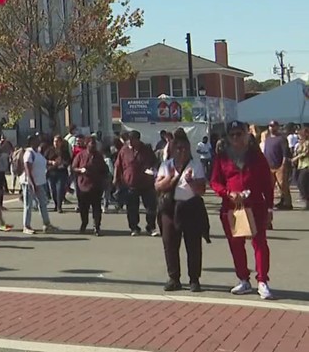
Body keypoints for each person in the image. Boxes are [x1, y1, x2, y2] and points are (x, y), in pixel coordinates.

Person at [210, 120, 275, 300]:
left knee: (259, 242)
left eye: (240, 133)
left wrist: (270, 207)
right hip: (232, 206)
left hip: (256, 205)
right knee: (236, 244)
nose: (236, 137)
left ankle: (262, 280)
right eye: (233, 135)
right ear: (228, 138)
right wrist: (227, 193)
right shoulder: (222, 157)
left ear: (247, 134)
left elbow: (267, 185)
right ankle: (243, 279)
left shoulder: (256, 156)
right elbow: (215, 181)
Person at [155, 130, 209, 293]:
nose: (182, 151)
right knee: (170, 244)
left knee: (193, 245)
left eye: (185, 148)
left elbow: (201, 190)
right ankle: (174, 278)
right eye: (178, 148)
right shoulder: (167, 165)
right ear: (173, 149)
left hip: (190, 208)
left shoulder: (195, 165)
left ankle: (194, 279)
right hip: (170, 209)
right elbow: (157, 187)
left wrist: (191, 182)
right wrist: (170, 178)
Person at [113, 130, 159, 237]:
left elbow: (155, 162)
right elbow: (118, 165)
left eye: (132, 140)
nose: (130, 142)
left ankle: (150, 227)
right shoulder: (124, 150)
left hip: (146, 184)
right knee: (132, 208)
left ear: (137, 140)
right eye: (129, 140)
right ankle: (134, 228)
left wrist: (153, 169)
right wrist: (115, 179)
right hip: (130, 184)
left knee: (151, 207)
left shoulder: (147, 149)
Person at [72, 136, 108, 236]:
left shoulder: (99, 156)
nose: (93, 145)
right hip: (83, 186)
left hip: (96, 186)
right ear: (87, 144)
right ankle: (84, 223)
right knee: (84, 208)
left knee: (96, 208)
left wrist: (104, 178)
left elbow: (105, 170)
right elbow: (74, 167)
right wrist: (80, 170)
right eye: (91, 143)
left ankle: (96, 227)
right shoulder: (80, 155)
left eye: (94, 143)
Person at [21, 133, 54, 235]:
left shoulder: (38, 153)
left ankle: (47, 224)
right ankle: (26, 226)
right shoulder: (29, 153)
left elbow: (44, 163)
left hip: (40, 182)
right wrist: (32, 184)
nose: (38, 140)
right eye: (35, 139)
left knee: (43, 203)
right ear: (31, 142)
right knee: (28, 205)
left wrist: (52, 163)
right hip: (30, 183)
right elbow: (28, 169)